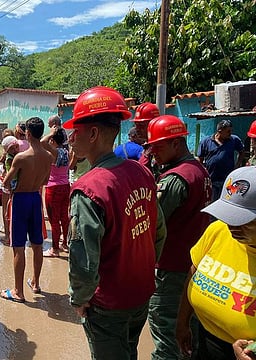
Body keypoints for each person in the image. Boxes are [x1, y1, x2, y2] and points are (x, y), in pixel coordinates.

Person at [63, 86, 167, 360]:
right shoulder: (141, 171)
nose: (72, 139)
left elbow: (83, 259)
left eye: (77, 131)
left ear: (93, 133)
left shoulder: (89, 188)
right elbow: (158, 232)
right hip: (141, 294)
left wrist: (80, 298)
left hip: (109, 304)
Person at [145, 115, 212, 360]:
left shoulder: (175, 180)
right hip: (192, 265)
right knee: (187, 335)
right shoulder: (199, 170)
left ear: (176, 143)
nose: (153, 152)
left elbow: (152, 225)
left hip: (171, 269)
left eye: (158, 146)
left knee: (167, 335)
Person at [176, 166, 256, 360]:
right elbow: (192, 273)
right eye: (227, 214)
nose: (230, 225)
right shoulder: (218, 231)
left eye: (242, 219)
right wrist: (182, 323)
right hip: (203, 339)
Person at [0, 117, 52, 302]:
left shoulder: (21, 157)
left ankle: (18, 291)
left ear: (28, 133)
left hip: (20, 200)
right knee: (37, 244)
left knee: (18, 246)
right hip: (35, 199)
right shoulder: (48, 157)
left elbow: (6, 182)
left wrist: (9, 181)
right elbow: (45, 181)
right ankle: (36, 283)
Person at [41, 126, 70, 257]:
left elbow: (42, 142)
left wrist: (51, 133)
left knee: (54, 220)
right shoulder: (67, 152)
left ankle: (55, 249)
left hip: (53, 188)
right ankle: (65, 243)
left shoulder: (55, 152)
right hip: (65, 186)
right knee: (64, 217)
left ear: (53, 139)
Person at [197, 119, 244, 202]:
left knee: (228, 202)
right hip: (212, 181)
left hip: (229, 181)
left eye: (231, 131)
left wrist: (237, 165)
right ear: (220, 131)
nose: (230, 133)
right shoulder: (206, 142)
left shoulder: (234, 140)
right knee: (212, 203)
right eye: (228, 131)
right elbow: (200, 159)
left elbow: (241, 152)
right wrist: (203, 172)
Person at [132, 102, 161, 175]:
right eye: (136, 125)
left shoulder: (160, 150)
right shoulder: (147, 148)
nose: (137, 129)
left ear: (153, 124)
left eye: (141, 125)